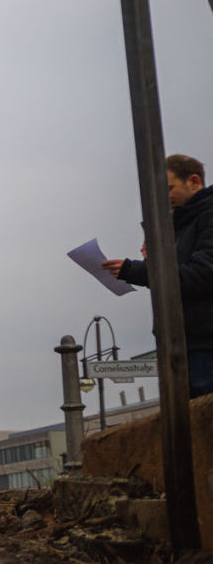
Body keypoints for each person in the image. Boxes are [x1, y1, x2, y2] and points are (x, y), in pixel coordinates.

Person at [104, 154, 213, 397]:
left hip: (203, 343)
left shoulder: (206, 216)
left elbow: (203, 275)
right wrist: (151, 265)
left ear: (194, 181)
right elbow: (179, 279)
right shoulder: (181, 224)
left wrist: (135, 270)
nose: (165, 198)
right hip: (183, 342)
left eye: (169, 188)